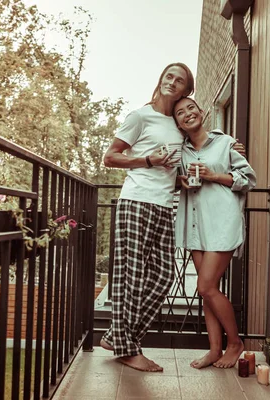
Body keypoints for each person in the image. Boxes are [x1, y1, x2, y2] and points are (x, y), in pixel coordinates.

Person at [100, 63, 195, 372]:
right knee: (130, 277)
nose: (172, 82)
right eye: (169, 76)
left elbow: (197, 141)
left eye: (179, 80)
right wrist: (147, 160)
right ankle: (128, 349)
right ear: (161, 80)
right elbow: (110, 157)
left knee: (165, 274)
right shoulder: (140, 116)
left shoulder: (178, 125)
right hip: (136, 202)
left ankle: (117, 336)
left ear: (185, 90)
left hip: (165, 205)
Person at [173, 97, 256, 369]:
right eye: (180, 113)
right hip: (196, 226)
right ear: (177, 123)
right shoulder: (180, 151)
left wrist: (214, 175)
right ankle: (214, 349)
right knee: (209, 291)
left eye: (191, 109)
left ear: (202, 112)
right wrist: (180, 180)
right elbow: (168, 177)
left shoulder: (226, 143)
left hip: (221, 223)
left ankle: (235, 343)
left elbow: (248, 179)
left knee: (206, 286)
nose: (187, 114)